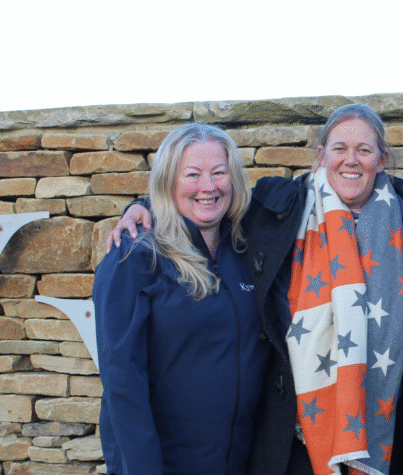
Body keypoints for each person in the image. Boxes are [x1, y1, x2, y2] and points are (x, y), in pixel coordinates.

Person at [107, 104, 403, 475]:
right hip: (297, 425)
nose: (351, 160)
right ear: (321, 155)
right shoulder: (279, 206)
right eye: (339, 148)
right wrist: (141, 206)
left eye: (364, 149)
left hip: (385, 421)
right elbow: (208, 199)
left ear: (382, 160)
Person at [92, 123, 269, 475]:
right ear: (168, 181)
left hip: (239, 461)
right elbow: (122, 383)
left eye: (219, 173)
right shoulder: (134, 257)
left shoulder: (247, 248)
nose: (208, 186)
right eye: (192, 174)